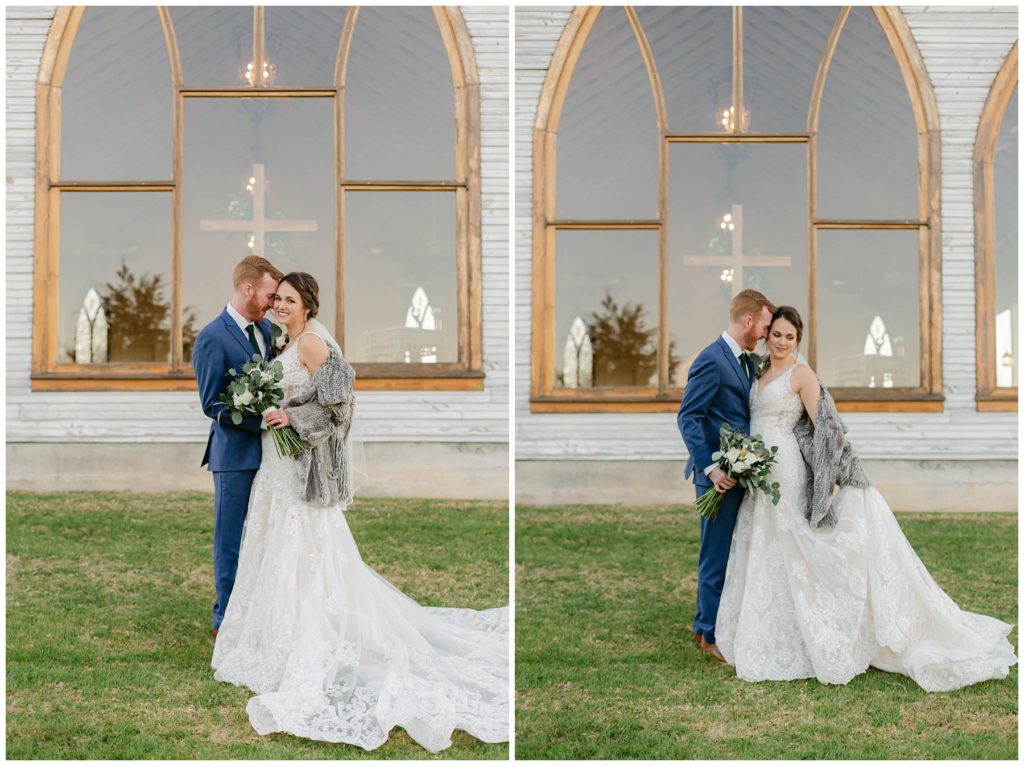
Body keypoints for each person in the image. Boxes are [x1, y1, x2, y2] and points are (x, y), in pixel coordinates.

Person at [211, 272, 509, 752]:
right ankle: (269, 633)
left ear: (308, 305)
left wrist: (293, 417)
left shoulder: (311, 344)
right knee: (272, 542)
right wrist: (273, 408)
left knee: (308, 545)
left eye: (290, 300)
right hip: (274, 467)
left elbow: (341, 404)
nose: (281, 306)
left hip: (294, 469)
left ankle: (311, 634)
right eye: (278, 299)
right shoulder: (280, 343)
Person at [715, 306, 1017, 691]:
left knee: (791, 544)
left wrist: (845, 470)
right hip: (758, 473)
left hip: (786, 471)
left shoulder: (801, 375)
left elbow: (826, 425)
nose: (782, 342)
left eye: (790, 337)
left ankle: (824, 623)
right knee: (764, 542)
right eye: (777, 334)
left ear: (798, 341)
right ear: (767, 334)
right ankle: (766, 624)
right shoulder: (758, 371)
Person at [677, 289, 775, 661]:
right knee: (715, 554)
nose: (766, 334)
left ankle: (708, 621)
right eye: (765, 326)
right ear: (748, 321)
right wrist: (712, 467)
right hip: (718, 476)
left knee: (731, 552)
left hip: (739, 470)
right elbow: (689, 417)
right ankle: (708, 633)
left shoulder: (745, 361)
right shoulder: (712, 359)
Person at [193, 255, 283, 636]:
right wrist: (260, 419)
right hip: (233, 457)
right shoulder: (212, 337)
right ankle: (225, 619)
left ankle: (260, 610)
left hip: (272, 457)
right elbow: (211, 403)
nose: (274, 303)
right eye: (269, 294)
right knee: (230, 538)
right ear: (248, 289)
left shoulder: (269, 332)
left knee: (263, 536)